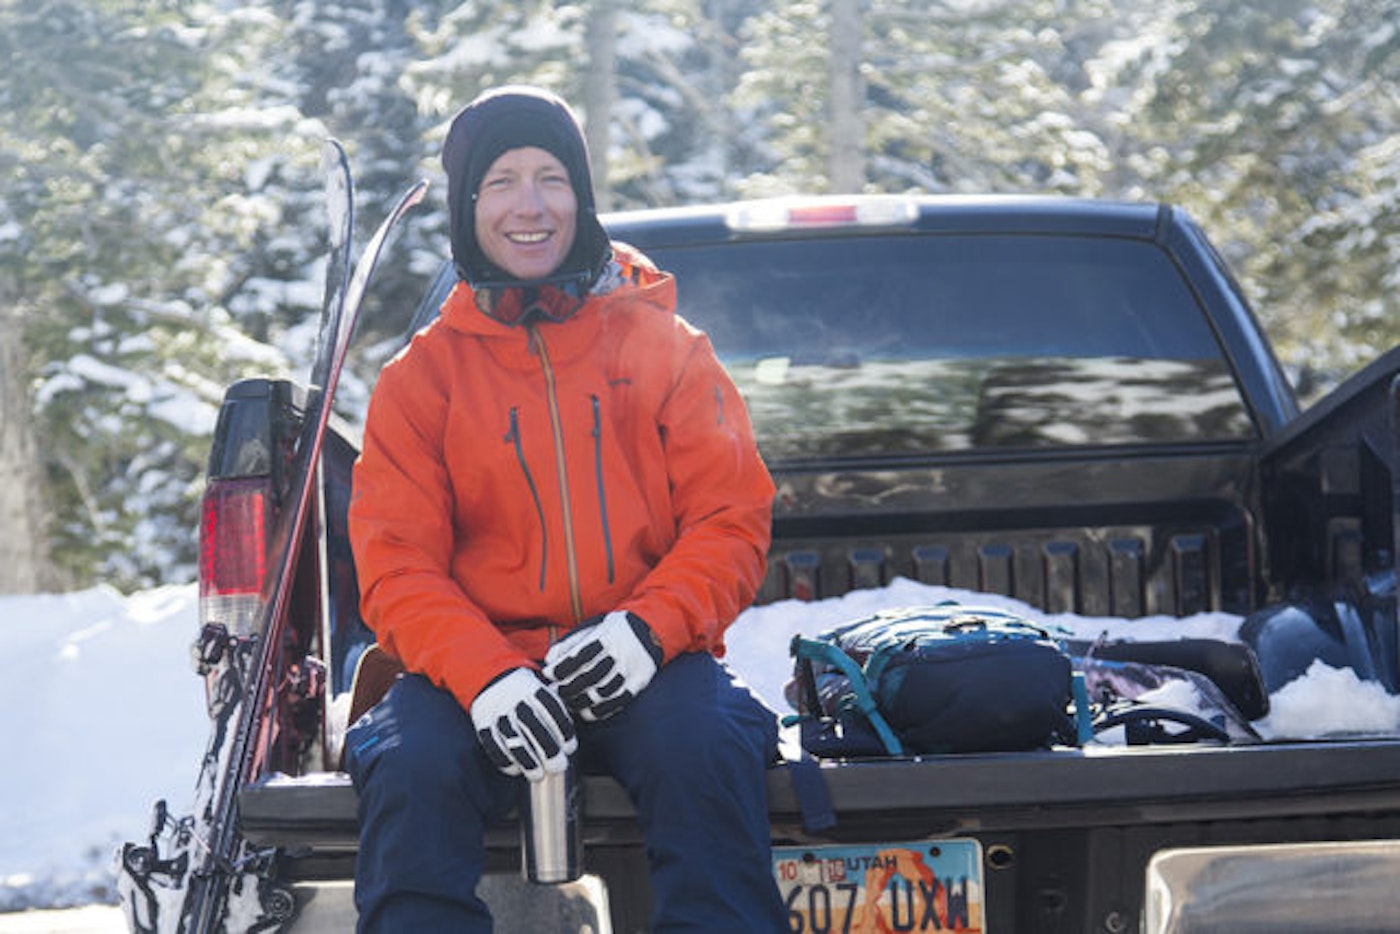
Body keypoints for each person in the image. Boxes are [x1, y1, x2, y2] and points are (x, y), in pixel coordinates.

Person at [344, 85, 788, 932]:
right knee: (408, 768)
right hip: (474, 674)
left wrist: (648, 630)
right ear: (468, 205)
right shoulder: (420, 381)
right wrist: (484, 677)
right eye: (502, 180)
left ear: (581, 197)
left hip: (644, 661)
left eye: (551, 176)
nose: (530, 204)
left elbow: (731, 520)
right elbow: (396, 566)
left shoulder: (666, 347)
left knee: (707, 749)